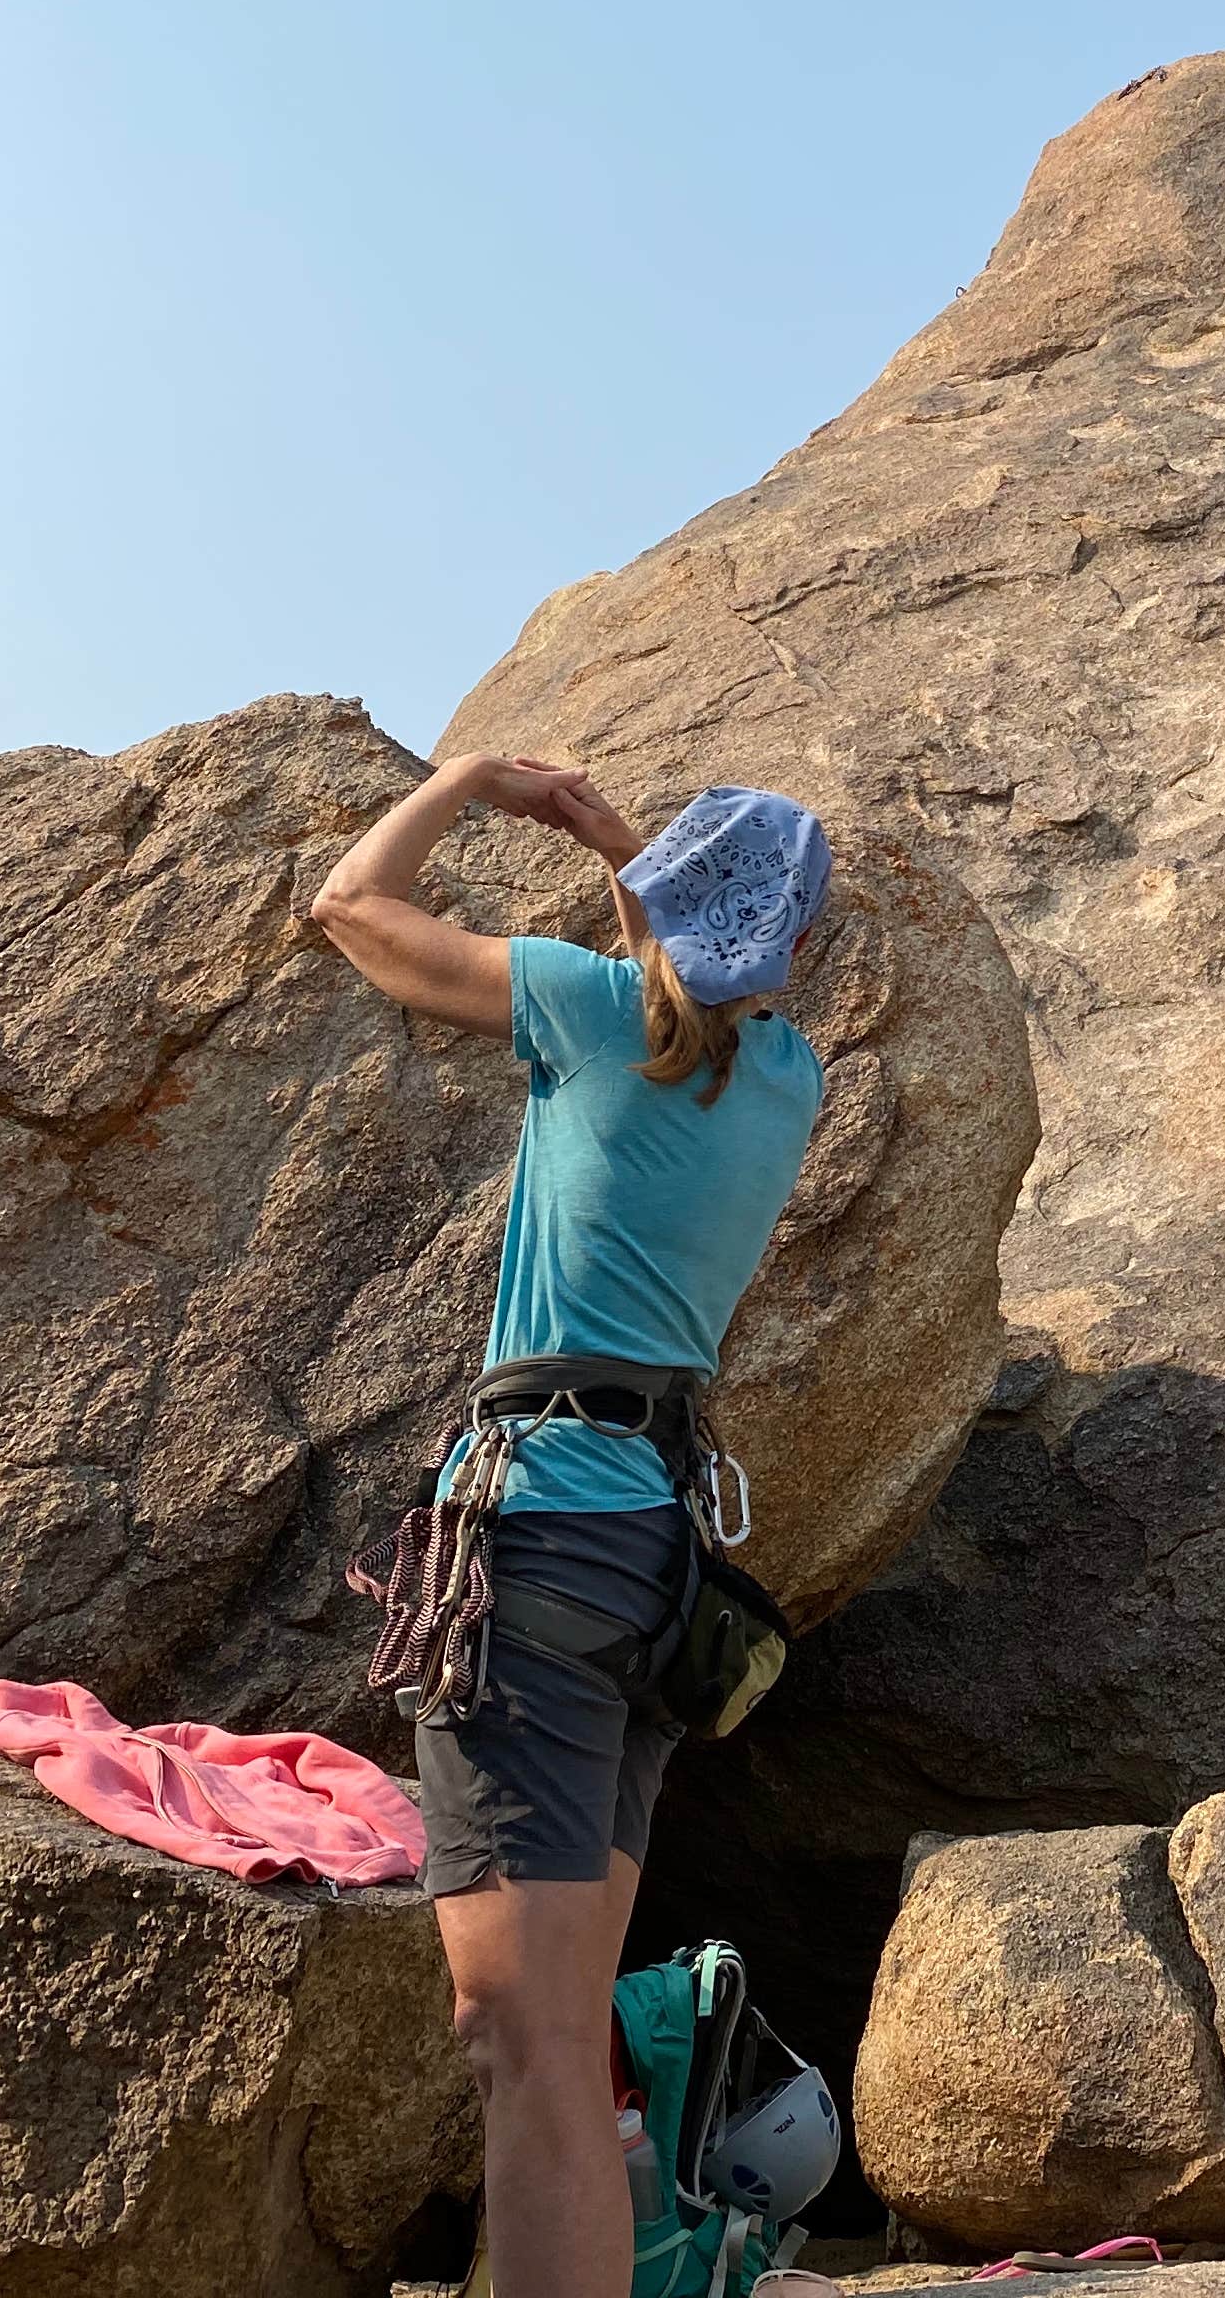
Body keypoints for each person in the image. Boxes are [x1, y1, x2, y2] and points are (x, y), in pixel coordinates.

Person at [307, 756, 830, 2298]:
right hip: (653, 1570)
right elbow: (694, 974)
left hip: (532, 1537)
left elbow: (349, 906)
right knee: (566, 2044)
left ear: (661, 908)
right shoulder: (787, 1077)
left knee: (518, 2042)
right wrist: (629, 862)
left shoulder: (589, 1013)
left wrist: (470, 781)